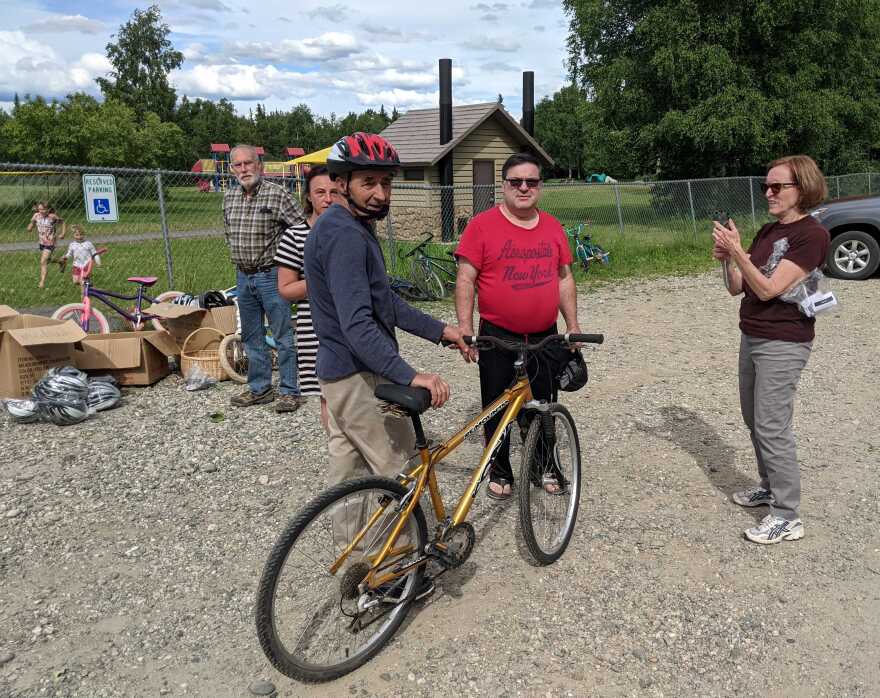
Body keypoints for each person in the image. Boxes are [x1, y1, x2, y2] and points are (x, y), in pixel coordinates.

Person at [304, 132, 468, 487]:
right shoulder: (344, 234)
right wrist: (409, 375)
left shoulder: (350, 226)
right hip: (358, 375)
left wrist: (441, 331)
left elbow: (384, 300)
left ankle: (356, 546)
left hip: (338, 374)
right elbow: (358, 324)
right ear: (341, 182)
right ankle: (405, 544)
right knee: (399, 473)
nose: (381, 193)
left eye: (386, 183)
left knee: (351, 477)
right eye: (369, 183)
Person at [713, 154, 830, 545]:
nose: (768, 192)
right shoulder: (767, 231)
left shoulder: (811, 235)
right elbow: (738, 288)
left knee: (772, 426)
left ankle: (787, 515)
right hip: (752, 334)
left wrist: (738, 252)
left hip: (784, 341)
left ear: (803, 189)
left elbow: (768, 288)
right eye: (767, 185)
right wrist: (728, 258)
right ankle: (768, 486)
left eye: (777, 186)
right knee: (753, 418)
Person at [455, 152, 582, 500]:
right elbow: (466, 278)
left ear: (540, 185)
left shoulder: (553, 226)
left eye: (532, 181)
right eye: (516, 181)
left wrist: (572, 325)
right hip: (497, 334)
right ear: (504, 185)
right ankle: (499, 469)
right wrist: (465, 328)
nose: (524, 187)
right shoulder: (482, 225)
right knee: (496, 406)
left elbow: (564, 278)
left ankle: (543, 464)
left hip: (545, 335)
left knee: (542, 404)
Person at [223, 144, 305, 412]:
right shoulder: (229, 197)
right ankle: (260, 389)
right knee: (251, 337)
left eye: (248, 163)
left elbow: (302, 232)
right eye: (238, 165)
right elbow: (229, 232)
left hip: (272, 276)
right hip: (243, 278)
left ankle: (290, 391)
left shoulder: (278, 195)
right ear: (231, 169)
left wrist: (294, 268)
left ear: (259, 165)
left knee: (282, 335)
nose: (244, 169)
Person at [275, 166, 341, 432]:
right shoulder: (294, 236)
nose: (328, 199)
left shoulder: (352, 231)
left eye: (334, 192)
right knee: (328, 396)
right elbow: (286, 289)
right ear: (309, 197)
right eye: (320, 192)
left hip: (353, 324)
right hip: (315, 328)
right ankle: (339, 455)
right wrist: (324, 281)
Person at [28, 201, 65, 288]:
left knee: (43, 261)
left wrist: (63, 233)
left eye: (43, 209)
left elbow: (62, 222)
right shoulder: (36, 215)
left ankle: (42, 282)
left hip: (50, 242)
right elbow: (33, 222)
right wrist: (30, 227)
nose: (41, 211)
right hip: (41, 242)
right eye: (40, 209)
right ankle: (61, 261)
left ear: (48, 209)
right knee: (47, 260)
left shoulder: (52, 217)